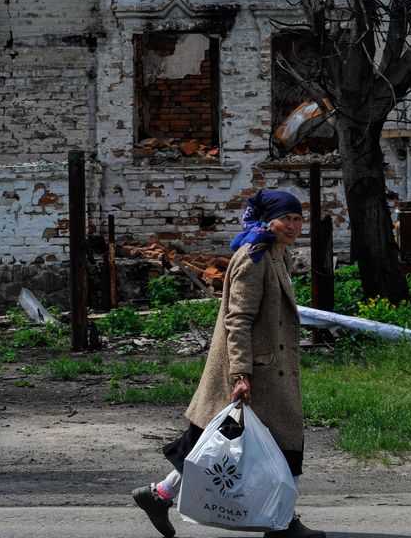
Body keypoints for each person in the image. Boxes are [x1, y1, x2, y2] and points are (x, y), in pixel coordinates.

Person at [132, 189, 324, 538]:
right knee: (274, 449)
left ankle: (159, 495)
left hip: (266, 368)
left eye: (298, 219)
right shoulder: (255, 257)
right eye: (287, 218)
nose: (294, 225)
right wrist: (240, 373)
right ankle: (285, 524)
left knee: (217, 445)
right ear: (269, 220)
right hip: (256, 371)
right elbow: (239, 319)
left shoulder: (274, 252)